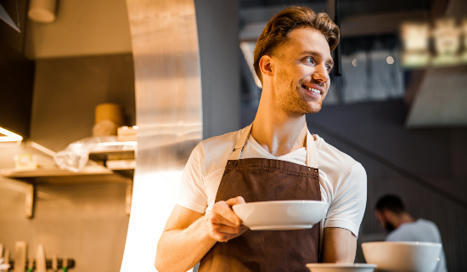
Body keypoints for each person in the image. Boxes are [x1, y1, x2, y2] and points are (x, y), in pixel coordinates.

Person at [156, 6, 367, 272]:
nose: (323, 76)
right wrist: (208, 227)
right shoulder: (209, 156)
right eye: (309, 60)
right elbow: (165, 261)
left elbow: (337, 268)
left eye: (327, 65)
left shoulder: (345, 172)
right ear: (268, 66)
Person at [375, 194, 447, 272]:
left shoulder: (395, 237)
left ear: (387, 214)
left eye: (380, 221)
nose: (382, 225)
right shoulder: (431, 226)